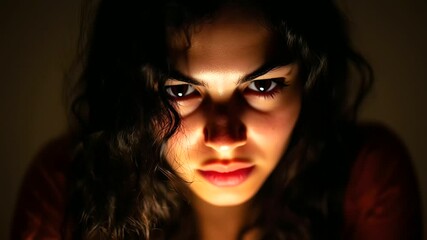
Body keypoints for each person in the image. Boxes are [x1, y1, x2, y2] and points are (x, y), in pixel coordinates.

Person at [10, 0, 423, 239]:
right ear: (132, 94)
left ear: (308, 82)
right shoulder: (69, 190)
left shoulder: (365, 183)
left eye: (262, 88)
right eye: (180, 91)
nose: (225, 139)